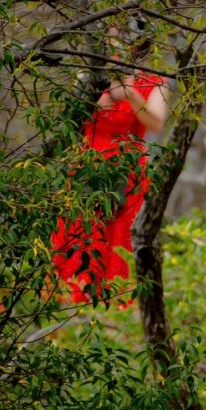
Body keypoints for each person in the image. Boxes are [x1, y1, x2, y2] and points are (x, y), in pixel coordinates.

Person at [51, 35, 168, 304]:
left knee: (121, 246)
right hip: (86, 169)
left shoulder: (152, 81)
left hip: (127, 175)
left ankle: (119, 309)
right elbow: (69, 119)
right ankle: (72, 306)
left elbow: (157, 122)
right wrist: (97, 91)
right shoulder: (88, 75)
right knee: (81, 238)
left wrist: (128, 92)